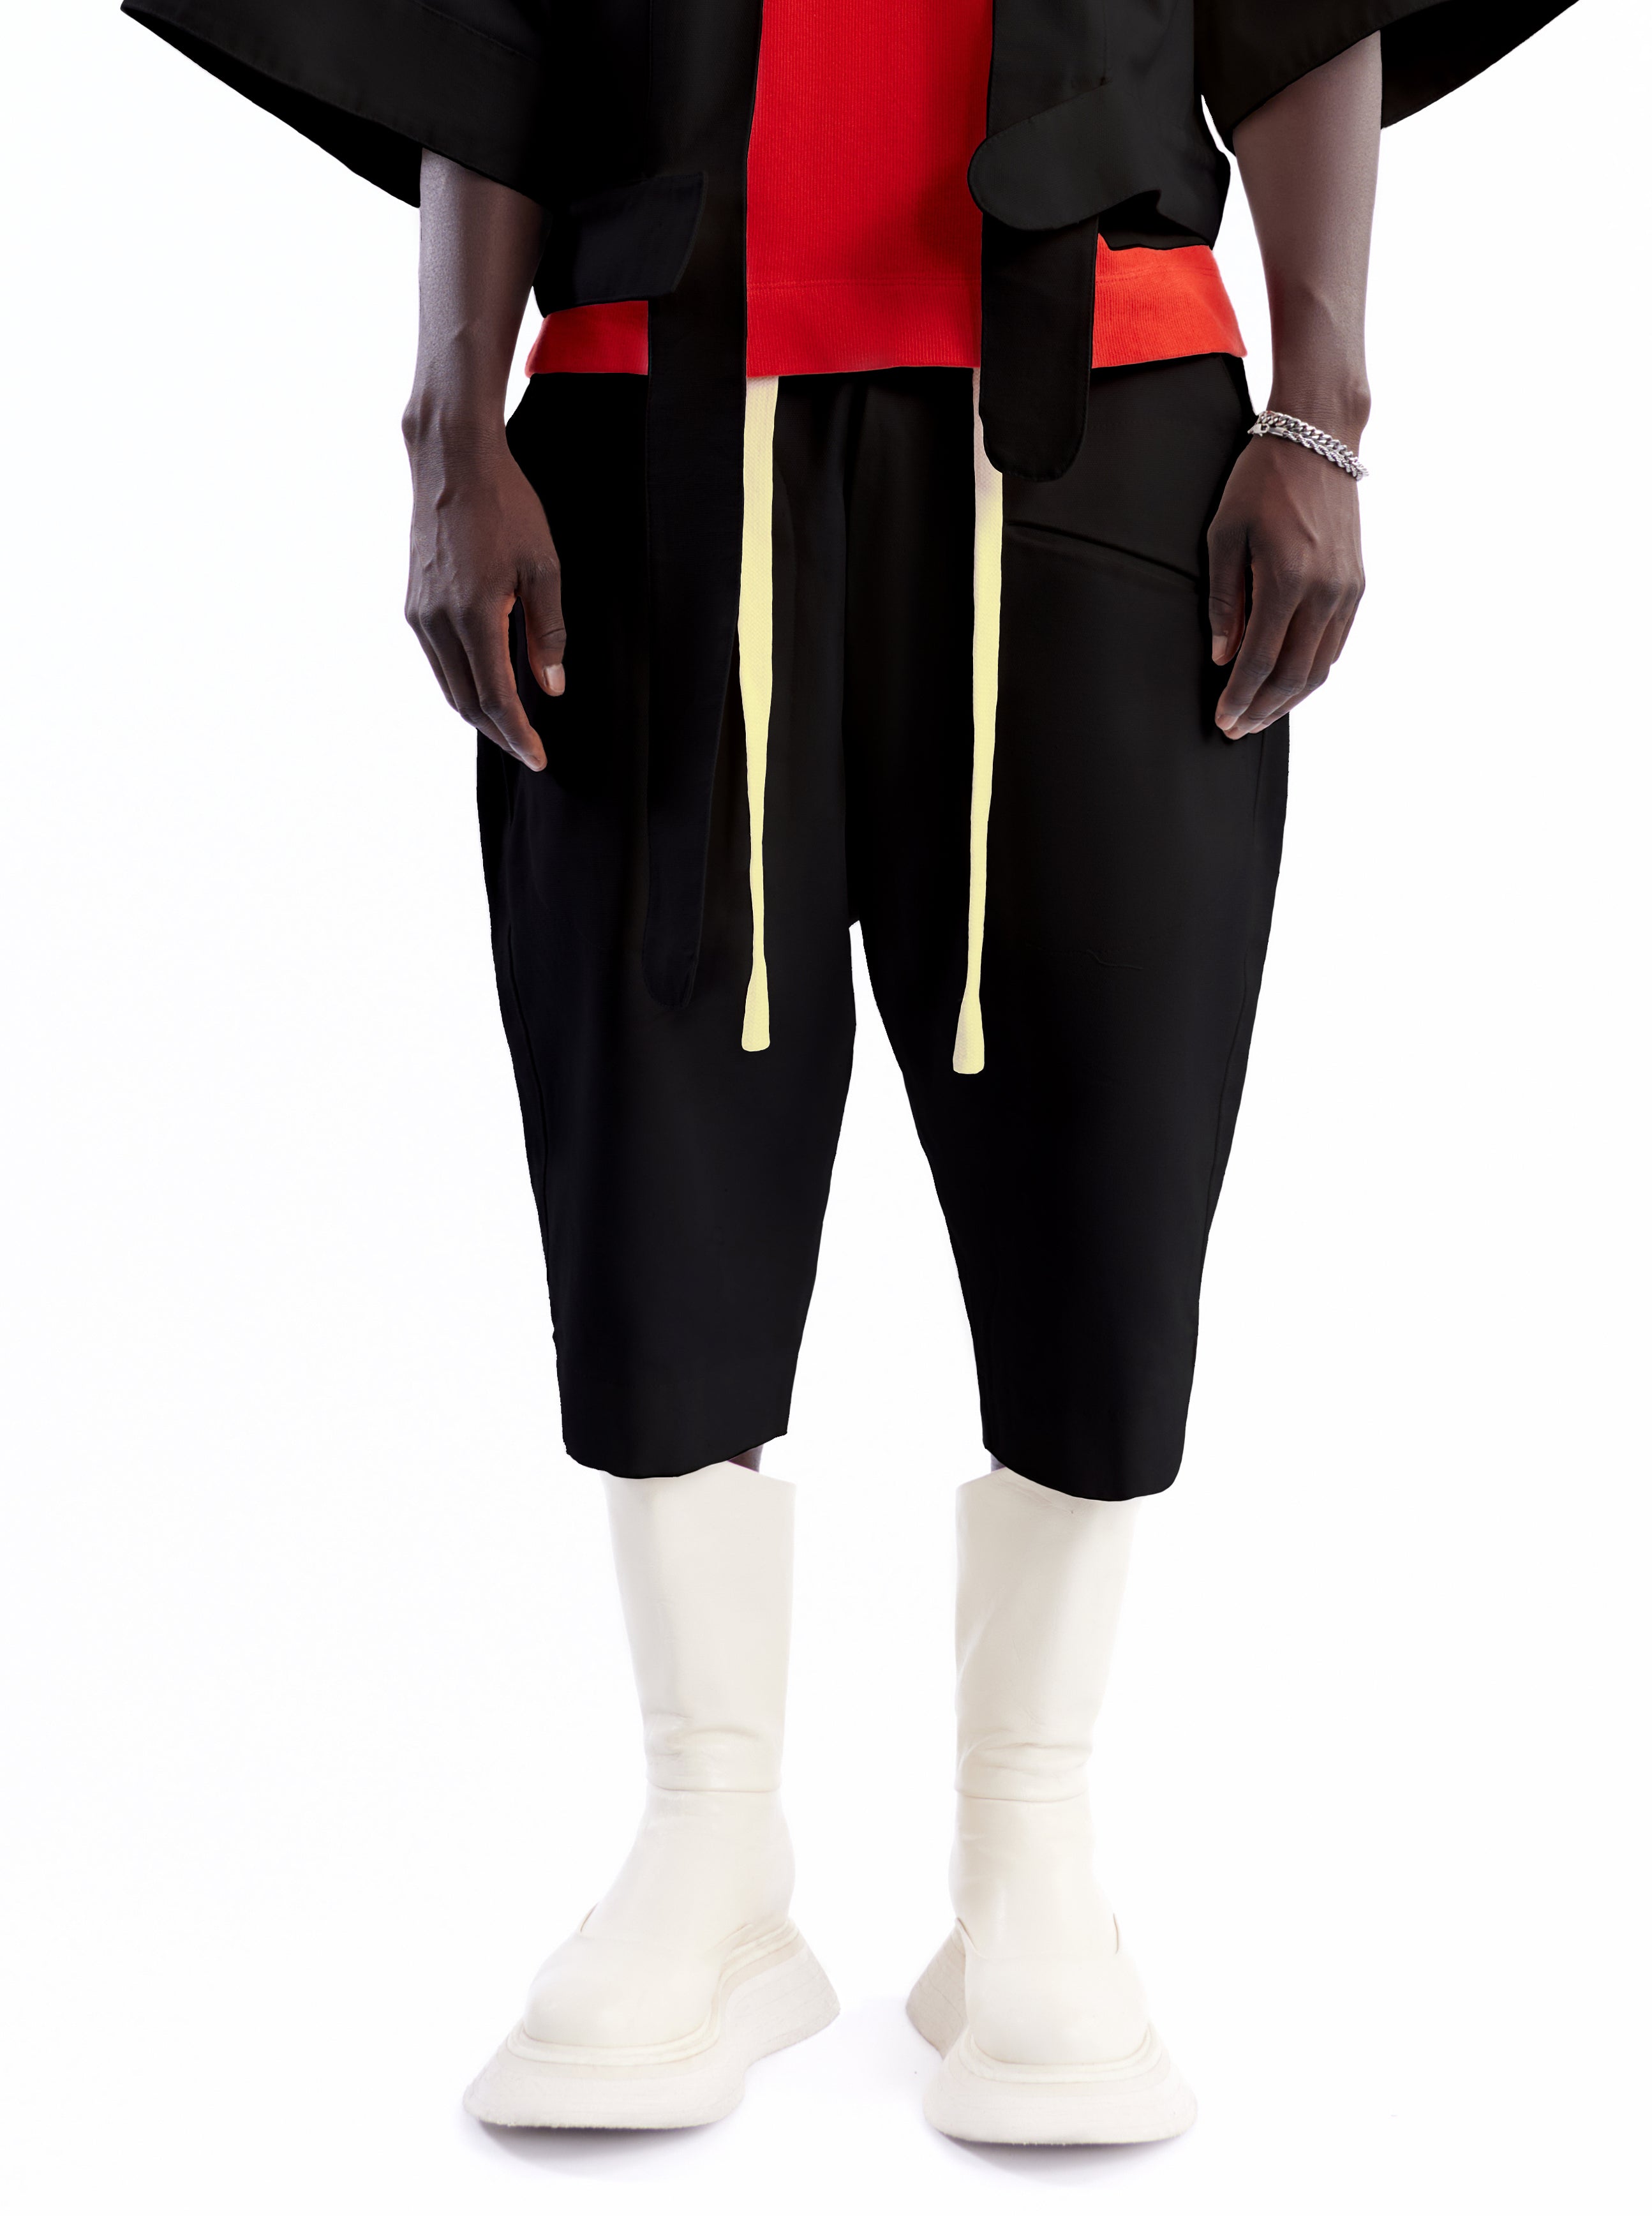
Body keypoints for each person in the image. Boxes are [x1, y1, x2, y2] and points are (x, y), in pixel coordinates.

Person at [123, 0, 1577, 2147]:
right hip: (646, 417)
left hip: (1103, 417)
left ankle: (1029, 1858)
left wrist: (1322, 413)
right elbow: (480, 24)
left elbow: (1301, 4)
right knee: (650, 1128)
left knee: (1106, 1124)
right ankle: (709, 1851)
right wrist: (450, 430)